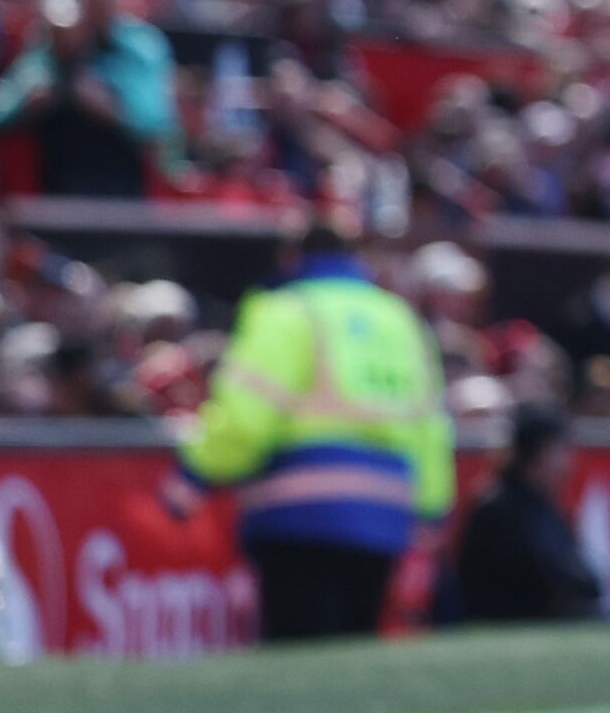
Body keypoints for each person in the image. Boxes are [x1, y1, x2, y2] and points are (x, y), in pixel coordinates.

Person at [181, 233, 453, 644]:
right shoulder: (397, 318)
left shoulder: (285, 312)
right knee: (354, 652)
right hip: (384, 519)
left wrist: (195, 473)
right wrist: (431, 510)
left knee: (298, 660)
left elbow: (247, 417)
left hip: (296, 516)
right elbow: (430, 425)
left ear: (292, 257)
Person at [442, 401, 604, 625]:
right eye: (560, 451)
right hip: (505, 624)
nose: (568, 464)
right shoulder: (499, 509)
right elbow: (548, 582)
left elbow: (585, 582)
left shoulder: (543, 506)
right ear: (537, 455)